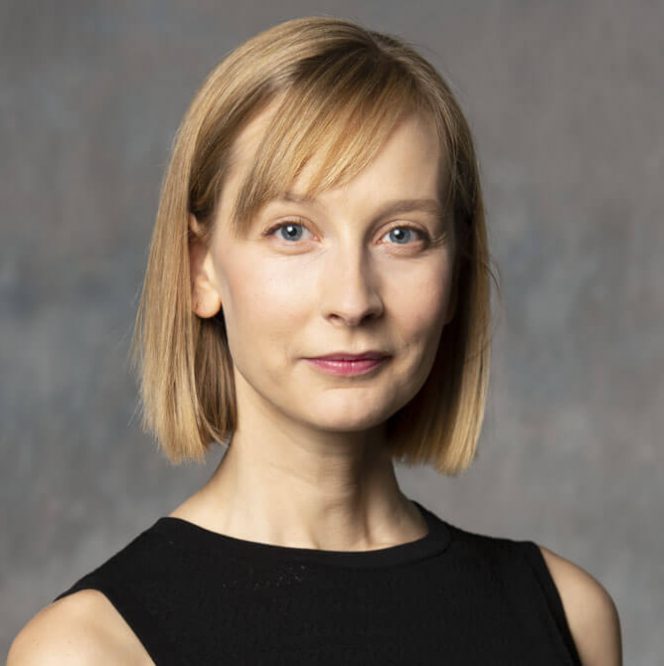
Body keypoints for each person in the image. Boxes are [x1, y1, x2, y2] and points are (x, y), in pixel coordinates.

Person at [8, 15, 621, 666]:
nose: (353, 301)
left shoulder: (570, 616)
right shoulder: (88, 650)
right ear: (200, 268)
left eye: (401, 235)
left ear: (456, 273)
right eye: (292, 231)